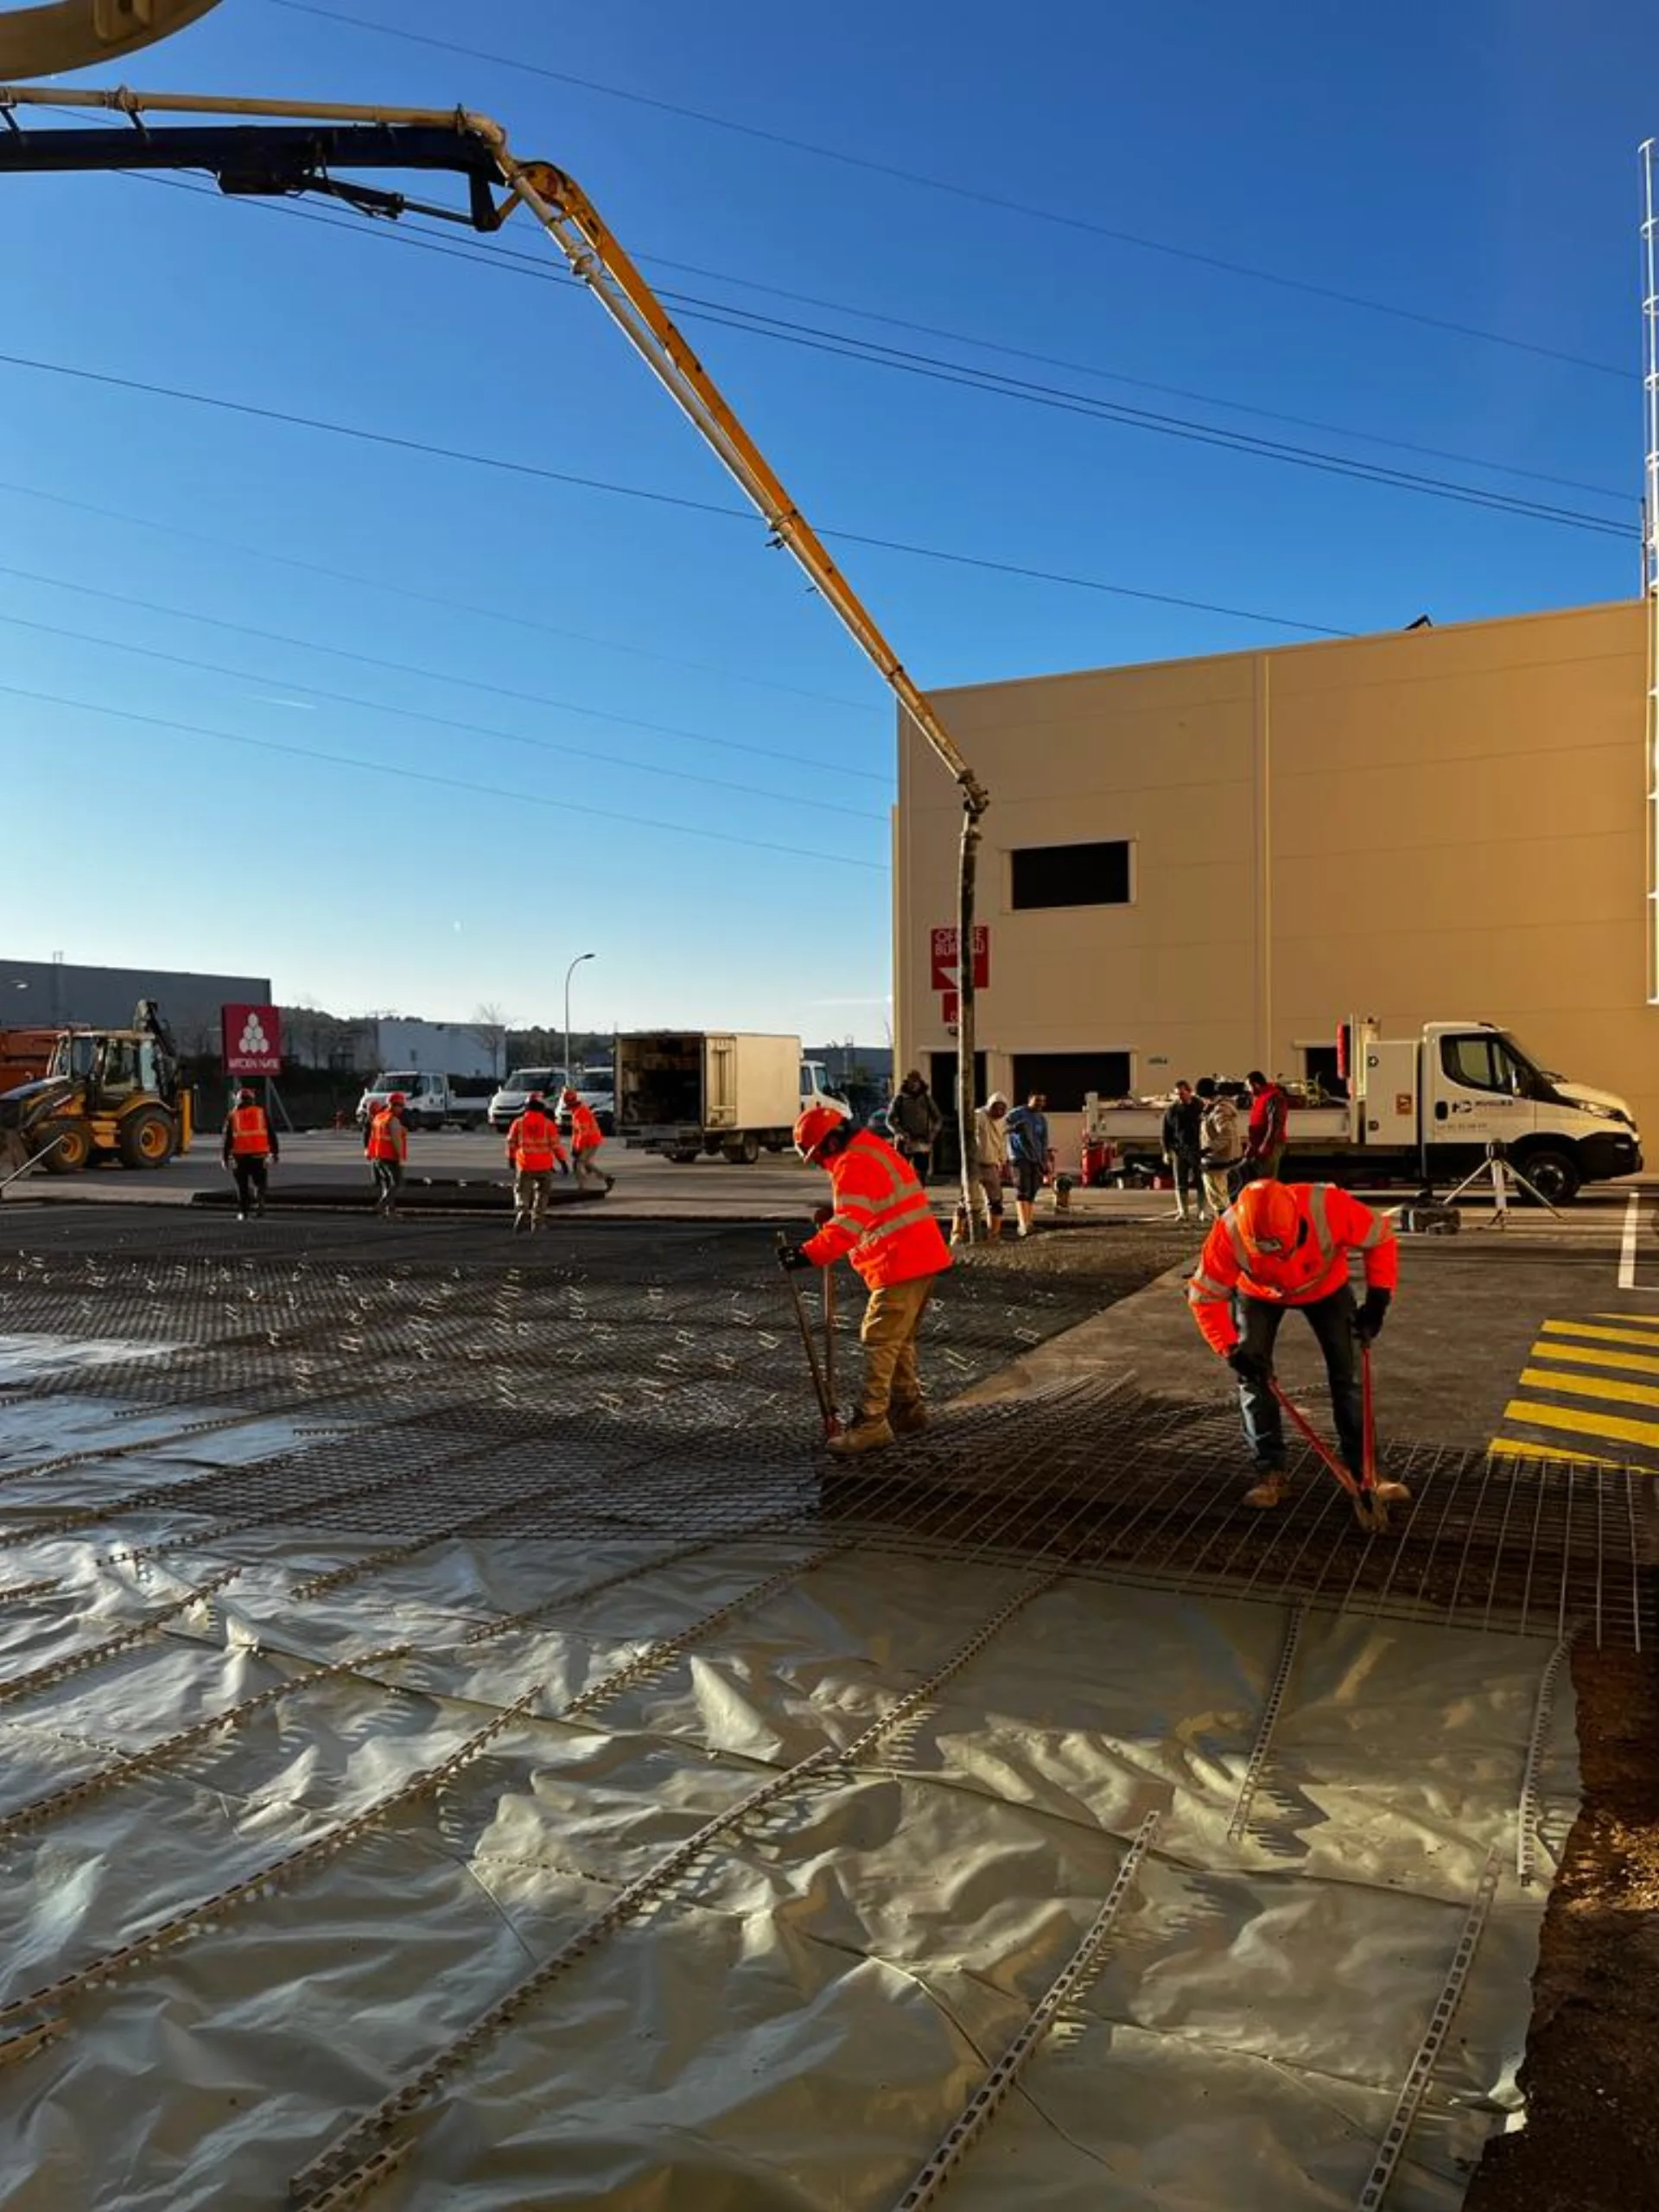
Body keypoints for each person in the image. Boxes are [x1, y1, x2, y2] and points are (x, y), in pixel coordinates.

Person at [1186, 1179, 1408, 1509]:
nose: (1280, 1260)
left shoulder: (1329, 1207)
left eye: (1283, 1250)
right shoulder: (1228, 1232)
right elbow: (1205, 1295)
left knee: (1348, 1376)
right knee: (1254, 1379)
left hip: (1326, 1288)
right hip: (1259, 1294)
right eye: (1268, 1252)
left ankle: (1370, 1473)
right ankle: (1270, 1474)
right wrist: (1230, 1350)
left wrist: (1378, 1300)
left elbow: (1381, 1236)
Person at [780, 1103, 952, 1454]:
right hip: (921, 1256)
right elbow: (873, 1202)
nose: (820, 1164)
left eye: (817, 1157)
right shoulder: (872, 1148)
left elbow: (847, 1227)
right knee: (898, 1340)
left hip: (899, 1261)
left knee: (879, 1338)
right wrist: (835, 1213)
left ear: (830, 1143)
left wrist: (806, 1254)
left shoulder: (851, 1163)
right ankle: (907, 1410)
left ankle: (872, 1423)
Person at [505, 1090, 566, 1232]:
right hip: (544, 1165)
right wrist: (562, 1161)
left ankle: (522, 1211)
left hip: (525, 1164)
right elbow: (555, 1145)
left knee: (522, 1190)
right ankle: (537, 1220)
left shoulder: (518, 1123)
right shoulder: (548, 1124)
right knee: (543, 1193)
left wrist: (511, 1158)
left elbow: (511, 1143)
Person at [220, 1085, 277, 1220]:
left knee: (242, 1186)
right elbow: (271, 1134)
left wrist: (224, 1158)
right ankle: (260, 1206)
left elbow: (227, 1140)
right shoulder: (261, 1113)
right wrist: (275, 1153)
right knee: (260, 1183)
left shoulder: (233, 1115)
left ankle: (243, 1212)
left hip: (240, 1157)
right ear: (252, 1100)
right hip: (259, 1155)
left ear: (238, 1100)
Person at [1003, 1092, 1050, 1237]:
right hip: (1020, 1157)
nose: (1040, 1104)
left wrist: (1044, 1160)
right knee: (1023, 1189)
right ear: (1030, 1100)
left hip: (1036, 1158)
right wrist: (1014, 1129)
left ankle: (1029, 1222)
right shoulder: (1017, 1113)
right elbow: (1002, 1126)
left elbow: (1044, 1141)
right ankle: (1022, 1223)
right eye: (1037, 1100)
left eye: (1042, 1101)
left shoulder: (1041, 1119)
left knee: (1032, 1190)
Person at [1196, 1077, 1243, 1218]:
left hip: (1217, 1160)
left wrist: (1207, 1150)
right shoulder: (1218, 1108)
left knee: (1217, 1198)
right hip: (1220, 1159)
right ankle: (1227, 1224)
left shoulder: (1219, 1110)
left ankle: (1225, 1226)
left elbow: (1225, 1135)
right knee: (1222, 1197)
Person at [1160, 1079, 1206, 1224]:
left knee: (1201, 1181)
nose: (1180, 1097)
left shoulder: (1200, 1107)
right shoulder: (1172, 1111)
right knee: (1180, 1182)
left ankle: (1202, 1211)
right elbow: (1166, 1133)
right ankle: (1183, 1211)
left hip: (1198, 1149)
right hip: (1179, 1150)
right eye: (1177, 1094)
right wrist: (1166, 1152)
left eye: (1182, 1093)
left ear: (1189, 1092)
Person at [887, 1070, 944, 1185]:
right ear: (907, 1083)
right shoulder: (900, 1099)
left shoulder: (926, 1099)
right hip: (904, 1141)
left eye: (916, 1082)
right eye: (911, 1082)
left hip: (922, 1140)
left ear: (920, 1083)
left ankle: (919, 1191)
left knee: (921, 1172)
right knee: (900, 1172)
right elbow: (889, 1120)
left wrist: (933, 1133)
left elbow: (938, 1118)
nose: (913, 1085)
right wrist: (900, 1133)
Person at [970, 1092, 1010, 1238]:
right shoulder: (979, 1116)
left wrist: (1003, 1161)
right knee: (967, 1200)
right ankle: (958, 1232)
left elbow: (1002, 1142)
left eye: (1002, 1109)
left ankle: (994, 1233)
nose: (999, 1112)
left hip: (991, 1164)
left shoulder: (1003, 1121)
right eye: (996, 1108)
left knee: (996, 1201)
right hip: (974, 1164)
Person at [365, 1090, 408, 1217]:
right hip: (390, 1156)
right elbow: (396, 1140)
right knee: (397, 1183)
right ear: (395, 1105)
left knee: (387, 1184)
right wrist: (400, 1157)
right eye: (401, 1106)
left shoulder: (379, 1117)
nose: (402, 1109)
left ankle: (390, 1211)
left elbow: (373, 1136)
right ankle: (382, 1205)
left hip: (378, 1156)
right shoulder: (392, 1120)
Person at [1241, 1070, 1291, 1182]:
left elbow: (1275, 1124)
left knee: (1267, 1178)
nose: (1248, 1090)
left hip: (1270, 1144)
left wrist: (1266, 1146)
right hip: (1260, 1143)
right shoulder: (1260, 1097)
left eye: (1249, 1086)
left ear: (1256, 1084)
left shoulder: (1274, 1097)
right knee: (1260, 1178)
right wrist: (1251, 1146)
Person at [562, 1086, 613, 1192]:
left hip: (590, 1141)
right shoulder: (578, 1111)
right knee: (585, 1163)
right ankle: (606, 1178)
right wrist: (574, 1146)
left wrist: (578, 1148)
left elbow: (583, 1133)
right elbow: (576, 1133)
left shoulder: (580, 1113)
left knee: (578, 1164)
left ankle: (583, 1187)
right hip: (590, 1140)